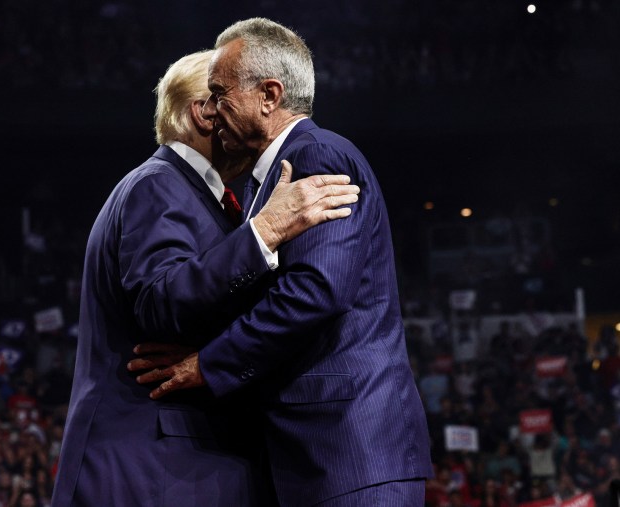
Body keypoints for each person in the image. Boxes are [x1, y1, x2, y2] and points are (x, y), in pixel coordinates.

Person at [133, 18, 433, 506]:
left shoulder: (320, 155)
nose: (210, 110)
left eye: (219, 93)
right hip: (313, 453)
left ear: (269, 95)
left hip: (350, 452)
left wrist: (208, 364)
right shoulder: (262, 183)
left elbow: (314, 291)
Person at [50, 49, 360, 506]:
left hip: (176, 464)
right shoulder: (156, 185)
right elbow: (162, 301)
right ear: (204, 112)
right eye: (230, 97)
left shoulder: (196, 197)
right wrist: (266, 230)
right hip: (151, 467)